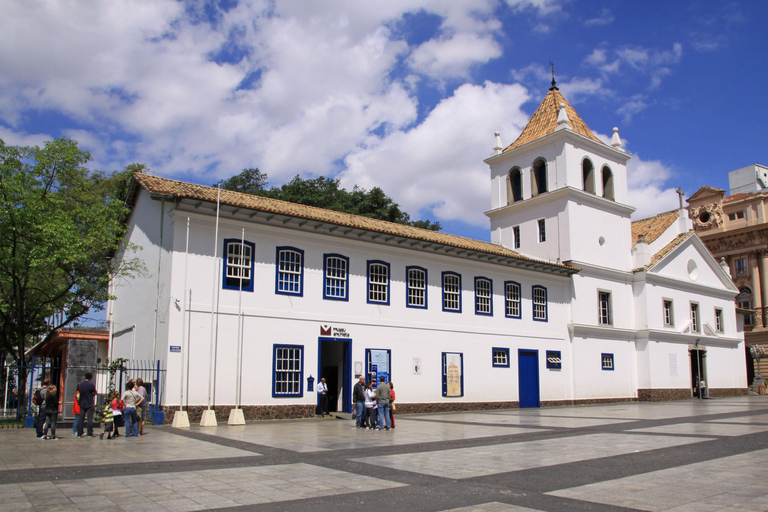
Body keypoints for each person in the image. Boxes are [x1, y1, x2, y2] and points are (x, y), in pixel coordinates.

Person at [77, 372, 98, 437]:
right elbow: (95, 392)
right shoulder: (91, 385)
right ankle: (89, 432)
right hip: (89, 402)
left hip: (82, 403)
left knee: (81, 418)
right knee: (89, 419)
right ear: (90, 378)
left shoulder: (81, 385)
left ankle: (79, 432)